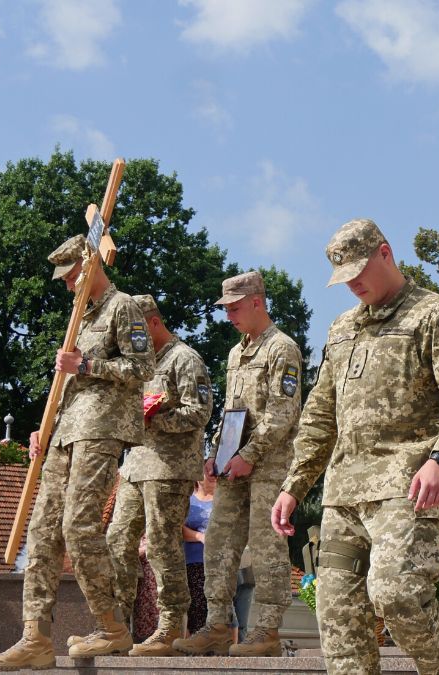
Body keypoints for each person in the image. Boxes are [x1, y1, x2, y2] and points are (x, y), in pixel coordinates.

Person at [270, 218, 439, 675]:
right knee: (339, 620)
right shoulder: (341, 329)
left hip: (406, 488)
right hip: (344, 495)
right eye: (343, 277)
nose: (352, 284)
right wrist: (294, 485)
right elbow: (319, 415)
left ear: (385, 253)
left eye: (358, 271)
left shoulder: (436, 316)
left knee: (397, 595)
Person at [0, 235, 155, 669]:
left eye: (71, 275)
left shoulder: (124, 307)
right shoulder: (79, 317)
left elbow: (143, 368)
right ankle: (35, 637)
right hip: (66, 432)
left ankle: (112, 626)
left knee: (80, 527)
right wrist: (46, 426)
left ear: (91, 264)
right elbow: (68, 386)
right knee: (41, 533)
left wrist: (87, 365)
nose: (66, 285)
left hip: (102, 430)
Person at [174, 270, 303, 657]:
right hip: (232, 468)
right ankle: (215, 626)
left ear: (257, 302)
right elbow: (233, 411)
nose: (228, 315)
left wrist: (248, 455)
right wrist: (216, 454)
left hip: (268, 466)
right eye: (224, 309)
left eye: (234, 307)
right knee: (218, 544)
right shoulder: (236, 352)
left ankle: (265, 632)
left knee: (266, 549)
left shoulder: (282, 349)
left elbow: (283, 413)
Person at [105, 294, 212, 655]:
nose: (132, 342)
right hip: (135, 466)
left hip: (169, 467)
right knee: (118, 540)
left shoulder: (185, 359)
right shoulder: (140, 364)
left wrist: (155, 420)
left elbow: (200, 411)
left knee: (163, 544)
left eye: (136, 332)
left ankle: (169, 625)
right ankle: (116, 625)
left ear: (153, 323)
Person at [183, 474, 216, 635]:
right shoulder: (188, 501)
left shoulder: (223, 501)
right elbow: (178, 528)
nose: (212, 476)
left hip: (218, 563)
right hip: (192, 561)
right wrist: (199, 537)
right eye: (206, 472)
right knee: (195, 606)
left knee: (218, 607)